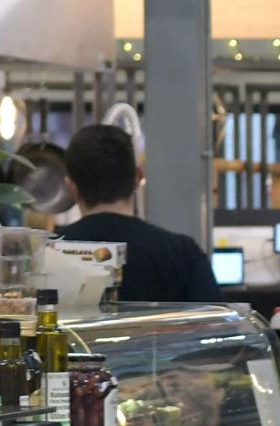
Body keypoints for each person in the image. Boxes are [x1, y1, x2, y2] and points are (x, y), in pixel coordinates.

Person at [53, 125, 220, 302]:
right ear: (138, 177)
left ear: (71, 187)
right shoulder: (183, 253)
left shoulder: (49, 253)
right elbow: (219, 324)